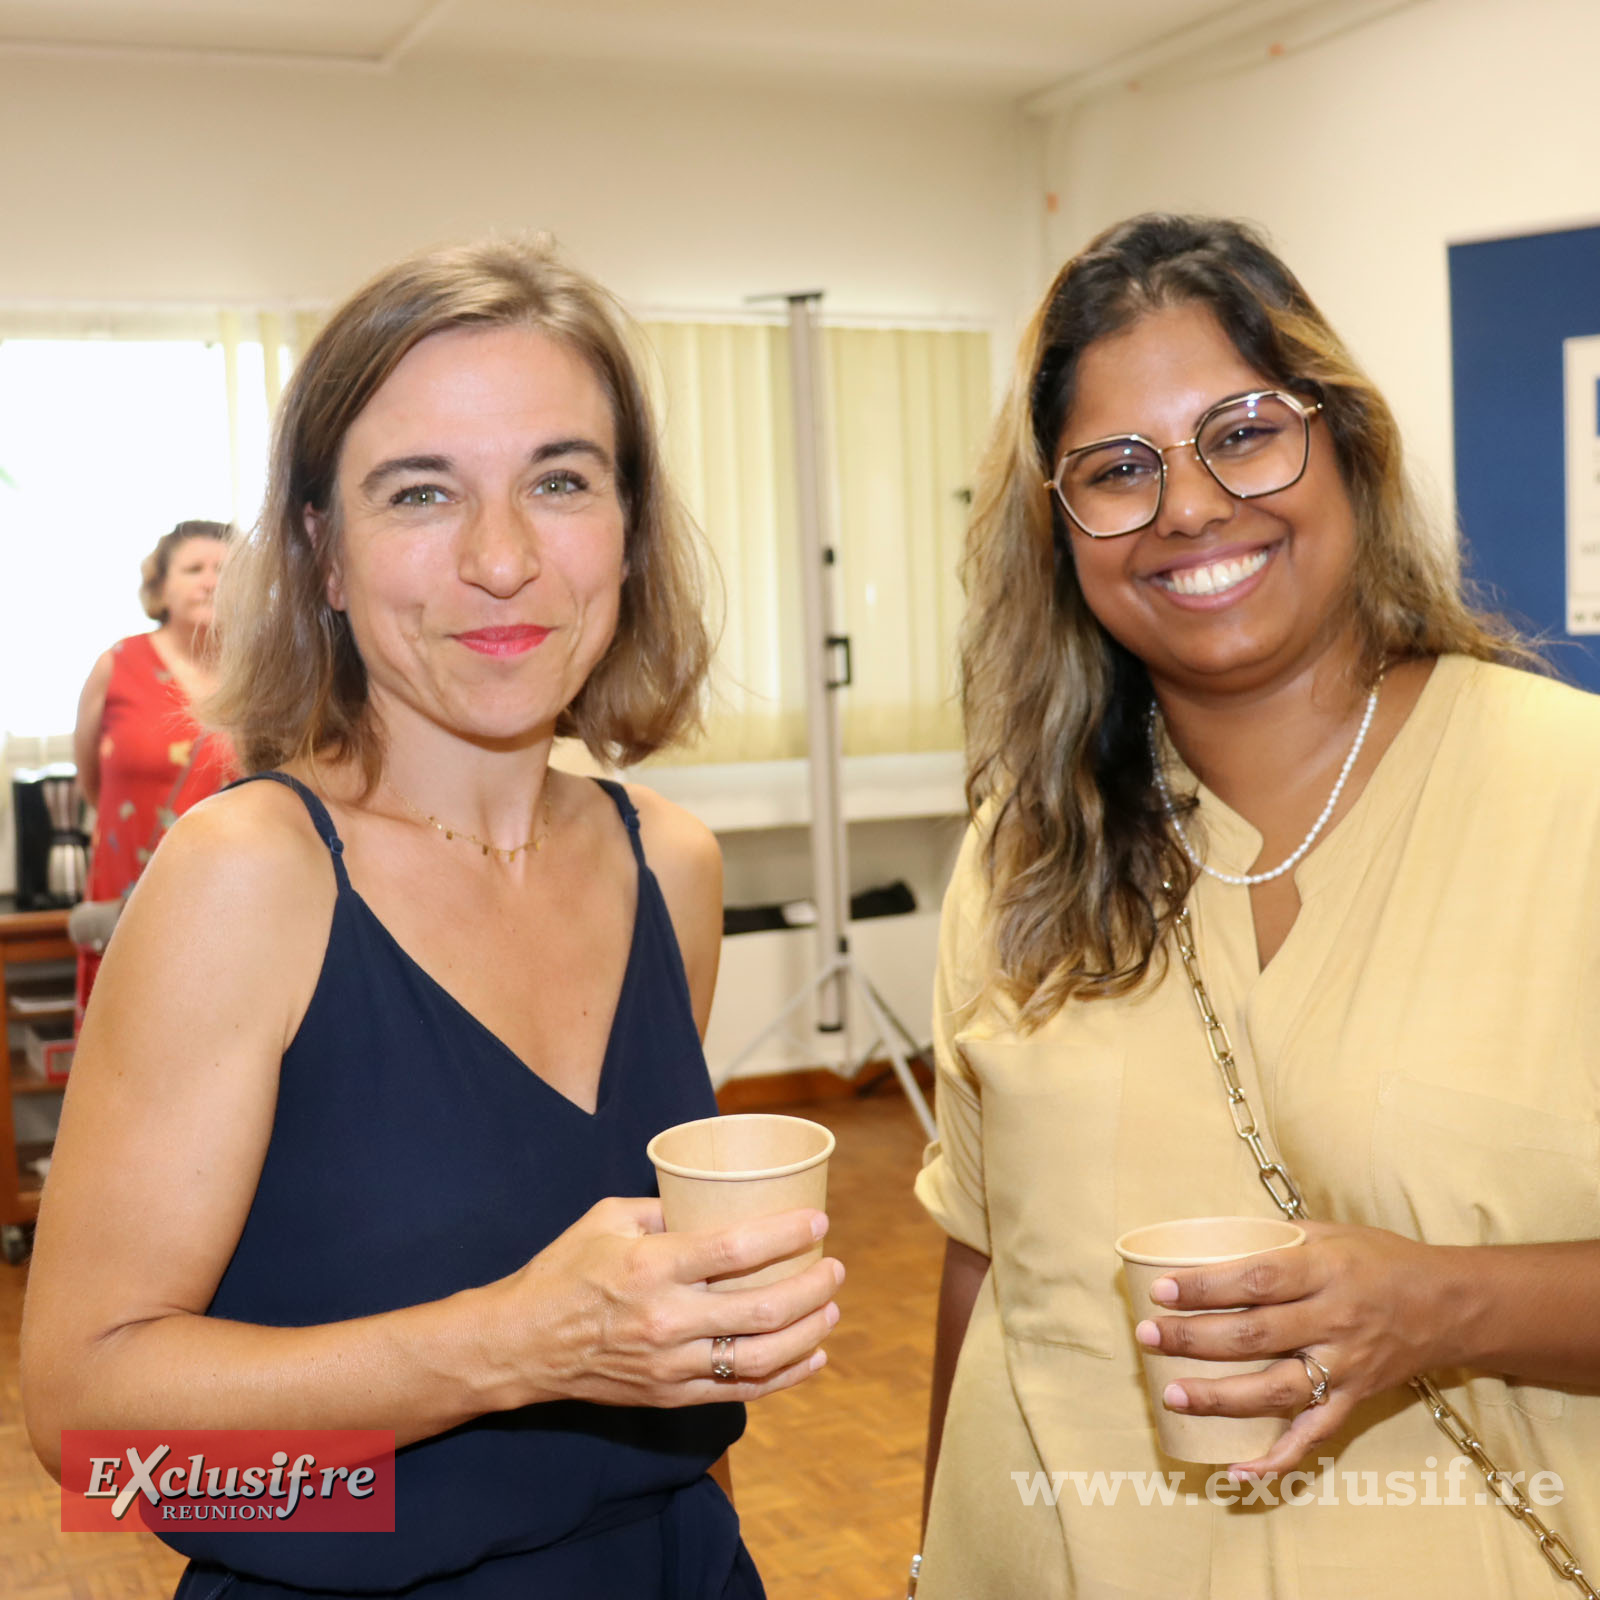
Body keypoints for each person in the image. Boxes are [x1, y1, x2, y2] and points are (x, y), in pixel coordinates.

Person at [22, 238, 842, 1599]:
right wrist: (514, 1345)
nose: (503, 558)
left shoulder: (671, 871)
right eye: (421, 493)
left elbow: (658, 1390)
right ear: (322, 557)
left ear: (628, 530)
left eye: (560, 481)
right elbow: (97, 1441)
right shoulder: (251, 877)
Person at [913, 214, 1600, 1598]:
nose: (1187, 506)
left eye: (1242, 431)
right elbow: (988, 1271)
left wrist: (1445, 1303)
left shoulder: (1569, 795)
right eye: (1116, 470)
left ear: (1345, 443)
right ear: (1060, 533)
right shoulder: (1027, 849)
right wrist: (931, 1560)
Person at [70, 520, 234, 1021]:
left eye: (224, 570)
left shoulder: (264, 672)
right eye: (193, 569)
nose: (209, 581)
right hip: (126, 894)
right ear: (161, 588)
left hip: (229, 898)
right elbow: (90, 780)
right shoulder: (117, 664)